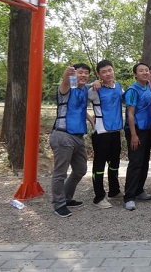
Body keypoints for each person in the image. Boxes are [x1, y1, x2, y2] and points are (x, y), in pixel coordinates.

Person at [50, 63, 91, 217]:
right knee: (60, 173)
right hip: (63, 135)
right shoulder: (67, 88)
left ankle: (67, 197)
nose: (84, 75)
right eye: (80, 72)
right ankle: (59, 204)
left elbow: (80, 107)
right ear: (74, 75)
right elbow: (66, 82)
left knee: (80, 169)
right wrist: (68, 74)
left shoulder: (83, 89)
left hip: (78, 136)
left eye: (86, 73)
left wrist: (92, 120)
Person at [88, 60, 123, 209]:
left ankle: (114, 190)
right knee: (99, 165)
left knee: (114, 163)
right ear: (99, 75)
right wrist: (91, 121)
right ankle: (99, 196)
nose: (108, 74)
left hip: (116, 131)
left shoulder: (118, 87)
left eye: (109, 70)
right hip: (101, 133)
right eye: (104, 72)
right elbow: (77, 99)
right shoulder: (94, 89)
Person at [123, 62, 151, 211]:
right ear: (135, 74)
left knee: (144, 162)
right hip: (135, 130)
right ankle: (129, 197)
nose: (145, 72)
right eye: (141, 71)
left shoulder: (148, 87)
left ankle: (139, 190)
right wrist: (134, 135)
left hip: (147, 129)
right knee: (135, 163)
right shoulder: (132, 90)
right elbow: (130, 114)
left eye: (146, 70)